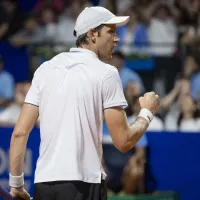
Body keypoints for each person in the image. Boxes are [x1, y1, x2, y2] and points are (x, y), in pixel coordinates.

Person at [9, 6, 159, 200]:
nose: (117, 38)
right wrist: (146, 113)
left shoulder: (45, 70)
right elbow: (124, 141)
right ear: (92, 34)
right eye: (111, 31)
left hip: (45, 186)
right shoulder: (107, 73)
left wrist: (17, 185)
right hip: (85, 186)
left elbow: (19, 133)